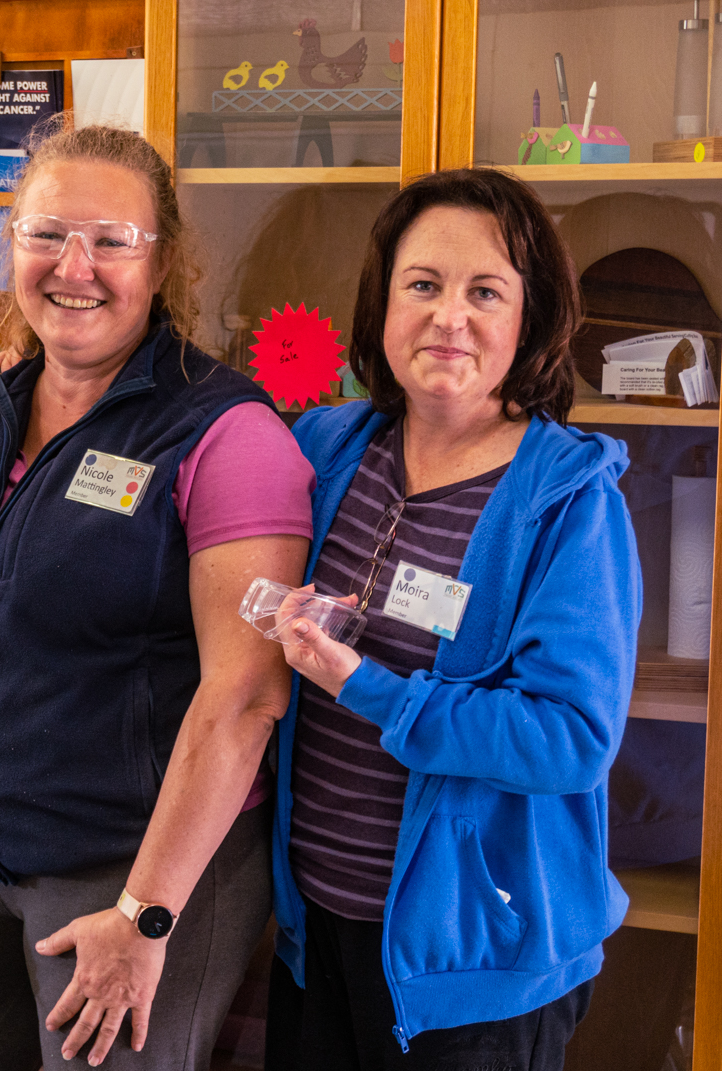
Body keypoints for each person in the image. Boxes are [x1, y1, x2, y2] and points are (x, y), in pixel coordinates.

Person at [0, 123, 317, 1071]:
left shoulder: (227, 435)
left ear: (162, 263)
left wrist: (144, 915)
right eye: (47, 234)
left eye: (112, 241)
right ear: (13, 246)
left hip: (132, 878)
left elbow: (246, 696)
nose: (75, 267)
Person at [265, 168, 640, 1070]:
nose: (449, 317)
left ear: (530, 316)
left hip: (472, 965)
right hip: (315, 931)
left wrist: (368, 687)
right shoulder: (326, 447)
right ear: (382, 304)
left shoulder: (569, 499)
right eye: (423, 285)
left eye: (485, 292)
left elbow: (570, 736)